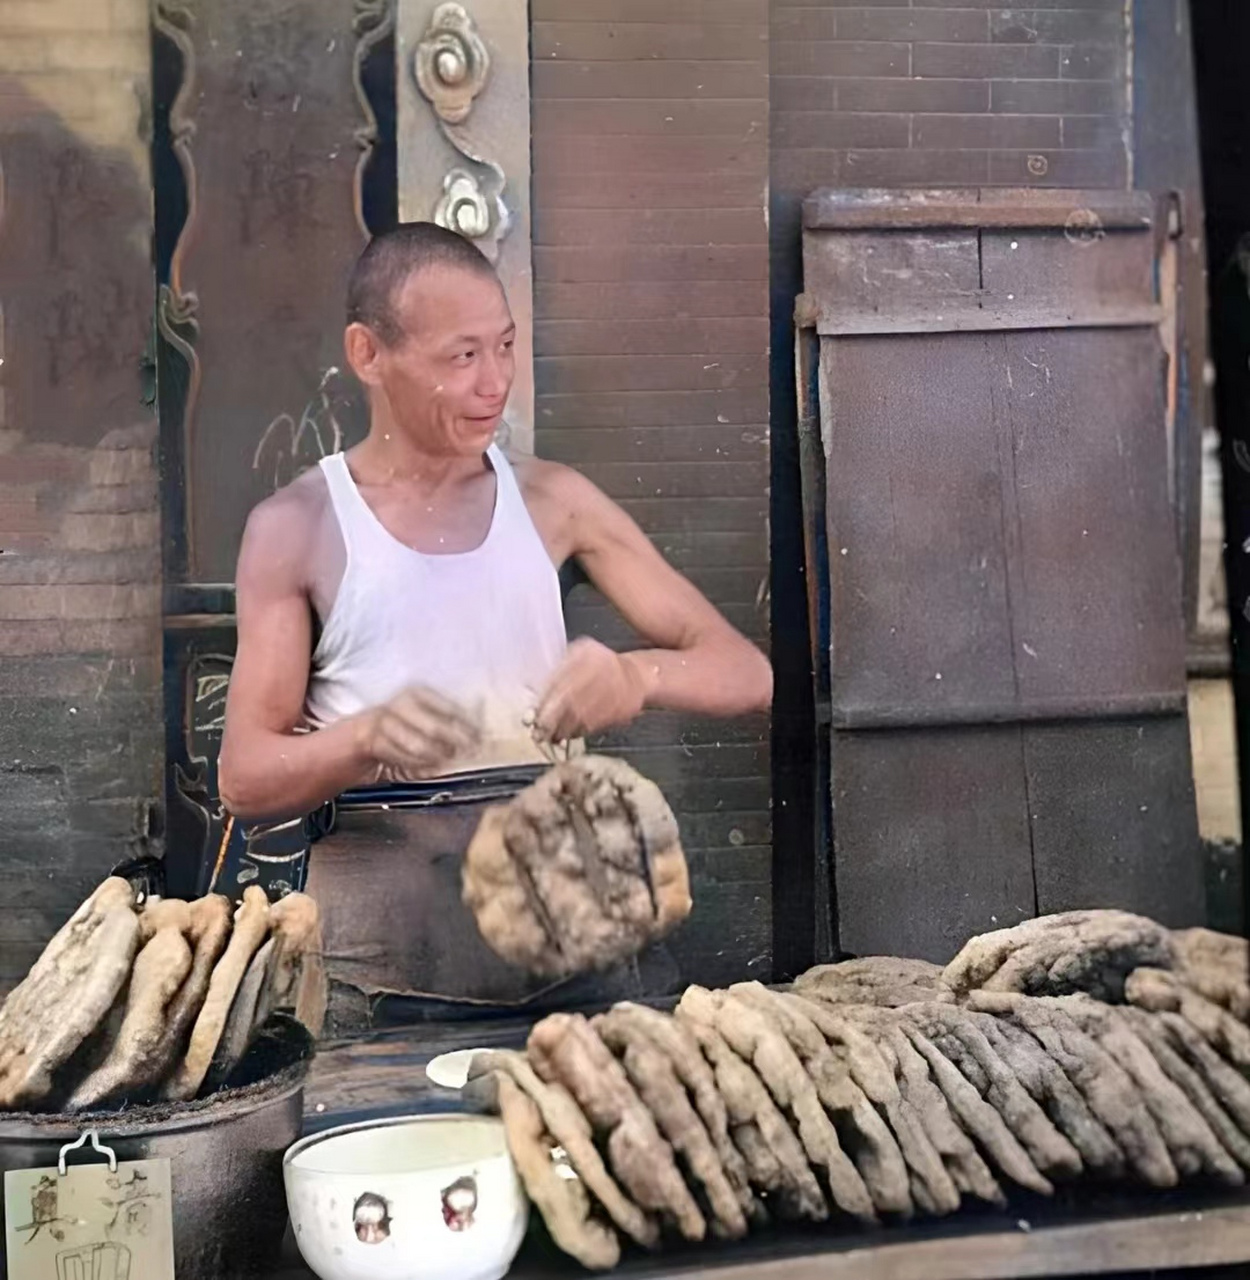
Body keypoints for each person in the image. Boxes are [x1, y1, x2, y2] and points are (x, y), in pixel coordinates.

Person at [217, 222, 772, 1029]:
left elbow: (744, 671)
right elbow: (244, 774)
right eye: (461, 356)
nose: (494, 383)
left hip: (573, 937)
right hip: (379, 970)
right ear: (369, 354)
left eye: (505, 347)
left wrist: (635, 676)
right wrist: (365, 736)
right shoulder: (298, 524)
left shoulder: (555, 500)